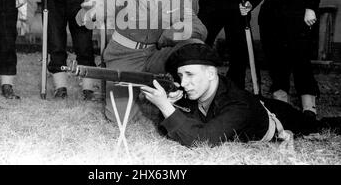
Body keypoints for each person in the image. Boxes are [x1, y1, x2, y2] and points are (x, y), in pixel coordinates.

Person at [76, 0, 207, 123]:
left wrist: (168, 36)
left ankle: (182, 99)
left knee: (194, 45)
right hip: (124, 57)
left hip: (155, 54)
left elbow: (199, 28)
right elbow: (83, 16)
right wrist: (92, 10)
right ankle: (142, 97)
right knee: (120, 119)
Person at [141, 42, 340, 147]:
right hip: (256, 104)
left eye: (190, 75)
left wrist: (165, 107)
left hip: (280, 117)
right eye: (181, 76)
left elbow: (200, 141)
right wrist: (171, 105)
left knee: (317, 125)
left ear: (211, 73)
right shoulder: (198, 90)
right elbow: (169, 131)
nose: (184, 83)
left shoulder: (236, 105)